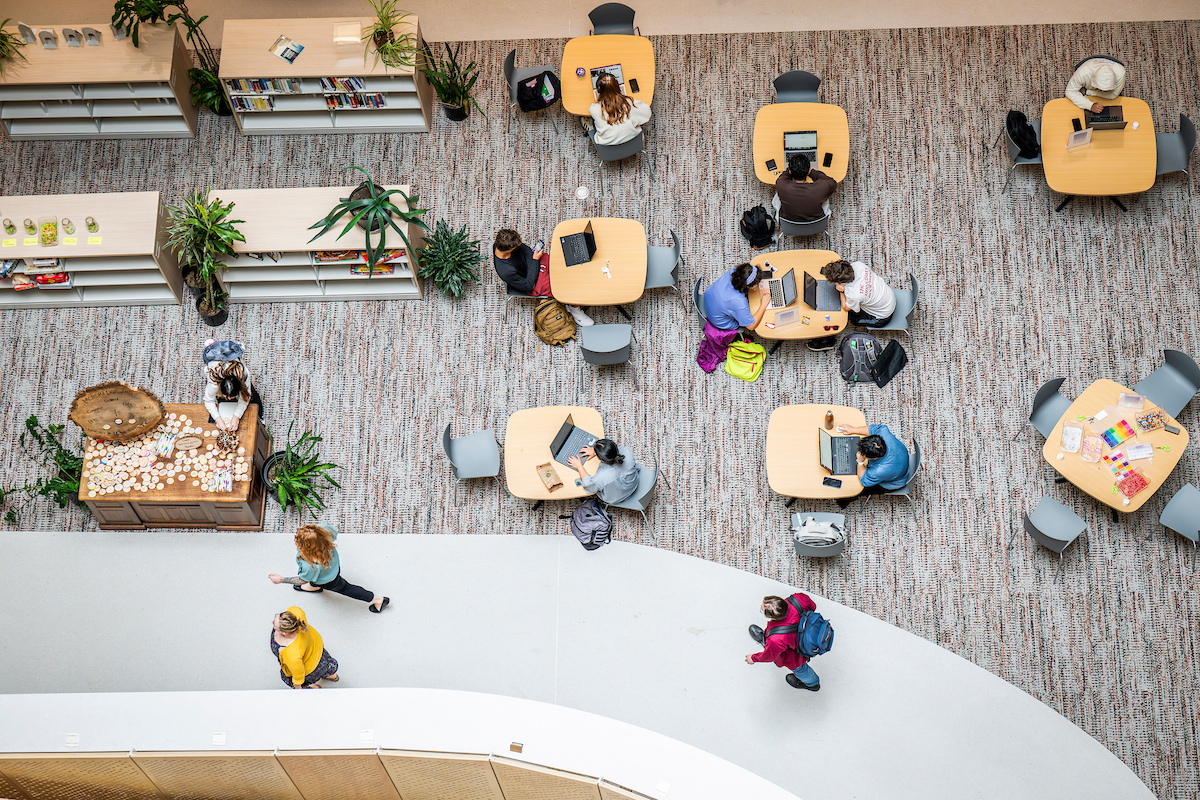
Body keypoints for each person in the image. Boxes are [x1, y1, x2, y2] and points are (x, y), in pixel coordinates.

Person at [269, 524, 389, 613]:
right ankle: (314, 586)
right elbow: (328, 530)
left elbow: (302, 579)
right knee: (315, 581)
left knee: (346, 588)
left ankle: (378, 599)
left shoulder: (310, 565)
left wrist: (280, 579)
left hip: (328, 581)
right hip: (333, 569)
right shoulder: (326, 534)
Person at [493, 229, 593, 327]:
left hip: (534, 266)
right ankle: (574, 309)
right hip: (533, 281)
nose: (520, 245)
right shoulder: (506, 271)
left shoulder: (502, 243)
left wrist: (533, 260)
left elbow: (526, 250)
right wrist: (535, 260)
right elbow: (528, 286)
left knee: (563, 261)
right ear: (509, 249)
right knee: (565, 286)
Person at [745, 593, 821, 691]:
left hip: (795, 654)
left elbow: (770, 656)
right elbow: (813, 607)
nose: (761, 606)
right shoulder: (799, 599)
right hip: (809, 637)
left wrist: (753, 658)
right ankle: (766, 639)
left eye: (762, 609)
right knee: (774, 644)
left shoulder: (776, 639)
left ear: (774, 618)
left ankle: (812, 684)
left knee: (800, 669)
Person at [834, 423, 911, 509]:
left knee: (855, 488)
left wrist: (860, 462)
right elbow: (871, 429)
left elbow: (864, 480)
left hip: (893, 482)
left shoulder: (879, 471)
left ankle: (844, 500)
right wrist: (853, 429)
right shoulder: (883, 431)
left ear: (874, 458)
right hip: (901, 460)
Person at [270, 606, 338, 689]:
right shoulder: (296, 615)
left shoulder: (290, 654)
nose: (272, 621)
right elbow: (296, 610)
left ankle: (313, 687)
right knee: (326, 666)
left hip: (310, 668)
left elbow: (298, 674)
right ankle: (332, 675)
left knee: (299, 679)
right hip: (316, 651)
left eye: (274, 624)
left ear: (284, 633)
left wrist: (298, 687)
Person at [201, 339, 260, 432]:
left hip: (236, 372)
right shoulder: (213, 382)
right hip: (216, 364)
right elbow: (208, 401)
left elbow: (245, 398)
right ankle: (213, 345)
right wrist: (218, 419)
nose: (228, 398)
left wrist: (236, 417)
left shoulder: (244, 374)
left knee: (252, 396)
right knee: (221, 402)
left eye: (231, 397)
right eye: (226, 396)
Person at [820, 259, 896, 328]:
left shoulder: (854, 295)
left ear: (842, 283)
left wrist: (841, 291)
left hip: (883, 316)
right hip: (889, 296)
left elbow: (846, 307)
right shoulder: (858, 265)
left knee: (854, 320)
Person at [567, 438, 640, 504]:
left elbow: (589, 485)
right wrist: (596, 451)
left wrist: (579, 466)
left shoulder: (601, 477)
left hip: (617, 497)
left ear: (601, 459)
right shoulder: (627, 451)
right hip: (633, 484)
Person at [703, 263, 771, 332]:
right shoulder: (739, 302)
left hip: (709, 298)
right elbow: (751, 326)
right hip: (720, 322)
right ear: (749, 286)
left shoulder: (733, 272)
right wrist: (763, 305)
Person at [588, 72, 652, 146]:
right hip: (633, 140)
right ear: (618, 87)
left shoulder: (594, 108)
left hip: (607, 145)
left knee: (595, 120)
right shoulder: (628, 103)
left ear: (599, 90)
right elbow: (647, 114)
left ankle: (588, 126)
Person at [773, 153, 837, 223]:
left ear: (790, 171)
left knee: (777, 193)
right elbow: (832, 182)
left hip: (788, 224)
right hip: (816, 225)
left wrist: (790, 170)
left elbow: (782, 177)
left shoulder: (781, 184)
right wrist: (811, 172)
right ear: (807, 171)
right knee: (825, 196)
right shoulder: (821, 188)